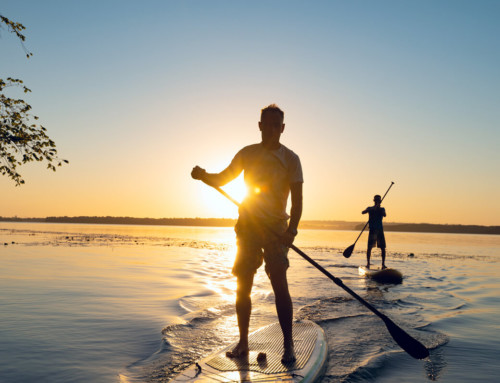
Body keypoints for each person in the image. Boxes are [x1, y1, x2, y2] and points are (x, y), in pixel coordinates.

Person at [191, 104, 303, 364]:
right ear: (260, 125)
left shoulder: (291, 159)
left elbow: (297, 201)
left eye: (277, 125)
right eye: (268, 124)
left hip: (276, 230)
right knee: (243, 285)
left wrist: (292, 231)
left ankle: (289, 345)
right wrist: (203, 175)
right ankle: (243, 342)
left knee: (279, 285)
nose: (272, 129)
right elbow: (222, 179)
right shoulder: (247, 153)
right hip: (248, 225)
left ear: (283, 129)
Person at [362, 194, 387, 269]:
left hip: (380, 230)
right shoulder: (370, 208)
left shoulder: (382, 209)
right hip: (372, 230)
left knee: (382, 248)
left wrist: (378, 209)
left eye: (378, 200)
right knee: (369, 247)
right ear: (374, 201)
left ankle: (383, 264)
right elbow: (363, 212)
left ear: (380, 201)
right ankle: (368, 263)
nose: (377, 201)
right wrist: (370, 210)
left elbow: (384, 215)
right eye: (376, 200)